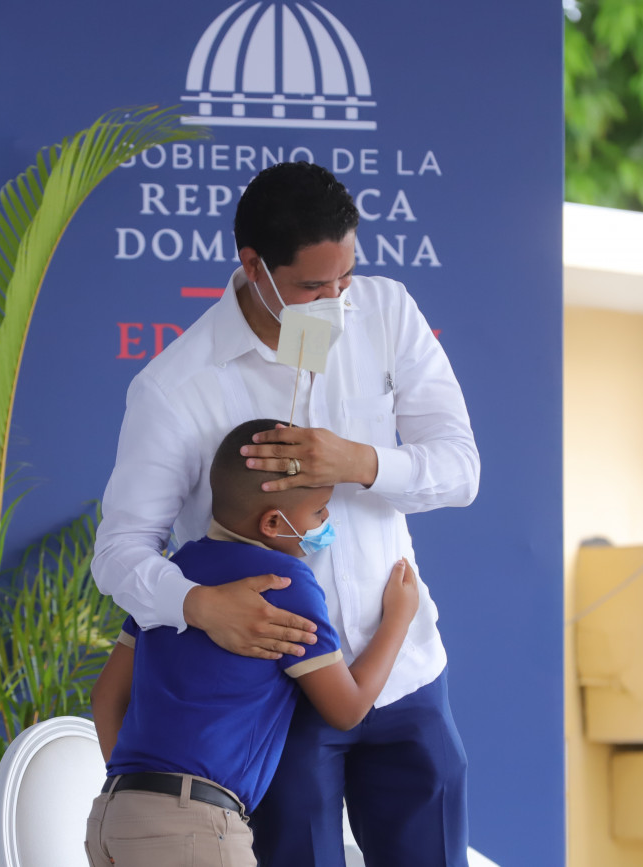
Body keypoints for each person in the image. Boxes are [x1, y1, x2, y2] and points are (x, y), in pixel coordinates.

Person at [92, 161, 479, 865]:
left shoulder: (386, 312)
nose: (335, 301)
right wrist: (199, 604)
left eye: (345, 278)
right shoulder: (175, 387)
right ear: (254, 266)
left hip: (408, 672)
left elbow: (461, 470)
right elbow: (120, 551)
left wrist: (361, 462)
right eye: (311, 287)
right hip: (278, 703)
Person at [86, 418, 419, 867]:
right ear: (273, 522)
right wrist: (398, 618)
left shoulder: (173, 573)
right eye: (319, 511)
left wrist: (141, 794)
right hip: (194, 828)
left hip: (112, 815)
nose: (326, 521)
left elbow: (105, 695)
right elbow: (347, 708)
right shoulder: (285, 583)